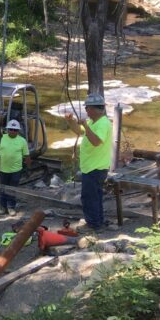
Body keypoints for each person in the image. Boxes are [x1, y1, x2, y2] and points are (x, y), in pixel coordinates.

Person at [63, 93, 112, 232]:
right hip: (91, 166)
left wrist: (85, 124)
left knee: (89, 197)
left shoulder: (103, 123)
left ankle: (93, 224)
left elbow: (96, 141)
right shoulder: (93, 122)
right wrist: (71, 121)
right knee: (94, 196)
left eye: (88, 108)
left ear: (96, 109)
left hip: (96, 167)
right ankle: (97, 221)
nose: (86, 110)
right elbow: (79, 131)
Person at [0, 119, 31, 215]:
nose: (12, 131)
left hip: (16, 170)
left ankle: (11, 207)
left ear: (18, 131)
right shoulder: (1, 138)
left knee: (12, 189)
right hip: (2, 169)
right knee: (2, 188)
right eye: (11, 129)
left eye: (15, 130)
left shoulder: (22, 141)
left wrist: (28, 168)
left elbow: (27, 156)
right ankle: (3, 207)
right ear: (7, 129)